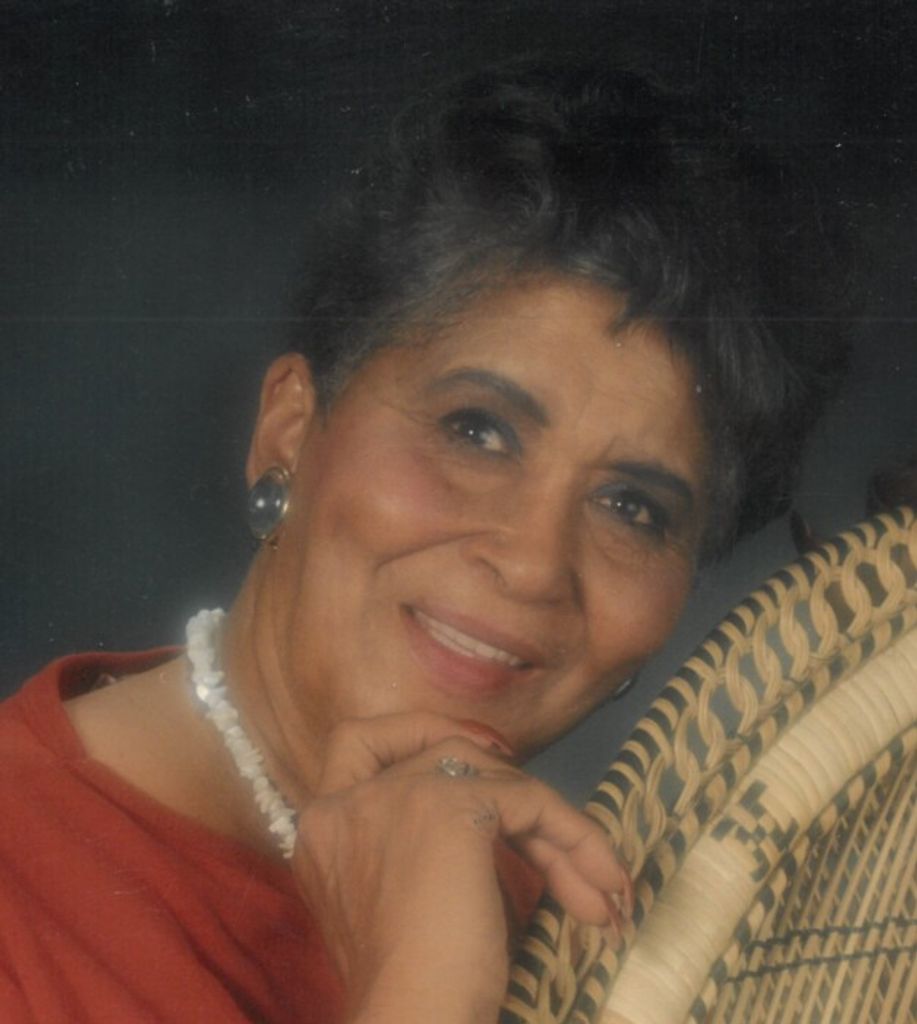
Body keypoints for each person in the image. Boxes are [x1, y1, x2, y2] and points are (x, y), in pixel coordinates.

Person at [0, 61, 848, 1023]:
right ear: (289, 430)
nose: (531, 563)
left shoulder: (581, 939)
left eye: (632, 508)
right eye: (476, 431)